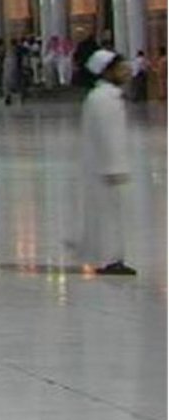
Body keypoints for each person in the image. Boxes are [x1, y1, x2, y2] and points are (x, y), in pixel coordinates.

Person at [74, 49, 136, 275]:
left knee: (109, 214)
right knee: (107, 214)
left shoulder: (107, 96)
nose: (127, 71)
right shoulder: (102, 99)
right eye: (121, 68)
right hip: (105, 169)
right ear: (107, 72)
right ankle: (109, 260)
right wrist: (114, 167)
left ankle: (110, 257)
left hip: (104, 167)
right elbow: (108, 136)